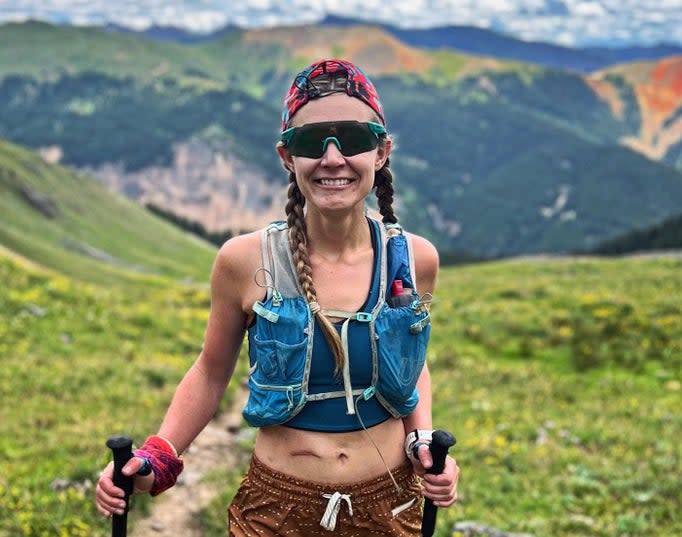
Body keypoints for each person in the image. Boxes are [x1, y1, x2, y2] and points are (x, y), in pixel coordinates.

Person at [95, 58, 460, 536]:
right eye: (311, 142)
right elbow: (211, 370)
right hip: (276, 508)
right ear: (288, 157)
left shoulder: (415, 260)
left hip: (389, 505)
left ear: (381, 152)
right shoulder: (244, 261)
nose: (332, 159)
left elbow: (412, 365)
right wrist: (157, 457)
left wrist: (423, 443)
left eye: (352, 140)